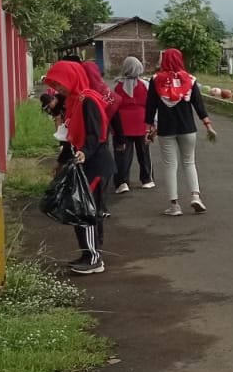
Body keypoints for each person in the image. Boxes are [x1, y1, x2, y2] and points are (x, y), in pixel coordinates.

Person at [42, 61, 115, 275]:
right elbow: (69, 136)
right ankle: (88, 253)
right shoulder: (74, 101)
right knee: (80, 209)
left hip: (95, 164)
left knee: (86, 211)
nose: (58, 89)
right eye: (55, 84)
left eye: (60, 83)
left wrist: (85, 152)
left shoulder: (88, 100)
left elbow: (96, 133)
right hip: (83, 162)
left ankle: (94, 257)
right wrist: (62, 160)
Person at [145, 48, 214, 216]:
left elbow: (150, 106)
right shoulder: (190, 80)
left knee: (170, 166)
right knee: (189, 162)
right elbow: (199, 105)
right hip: (188, 128)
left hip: (166, 129)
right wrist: (208, 125)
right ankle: (196, 196)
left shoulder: (155, 80)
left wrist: (149, 128)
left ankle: (174, 206)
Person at [110, 56, 153, 194]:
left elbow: (113, 106)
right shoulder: (144, 85)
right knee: (144, 153)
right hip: (141, 123)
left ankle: (122, 182)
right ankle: (146, 179)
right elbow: (151, 105)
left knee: (122, 154)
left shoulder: (118, 85)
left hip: (122, 124)